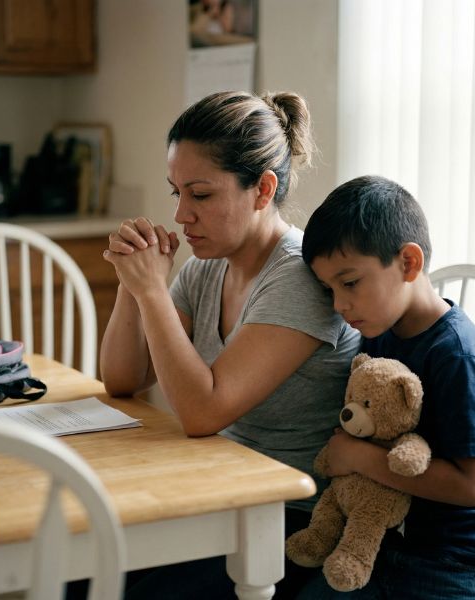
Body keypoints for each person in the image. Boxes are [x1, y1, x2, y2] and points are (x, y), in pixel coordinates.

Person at [84, 90, 361, 600]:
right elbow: (123, 379)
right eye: (177, 194)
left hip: (292, 517)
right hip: (220, 487)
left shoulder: (298, 276)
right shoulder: (208, 265)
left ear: (262, 189)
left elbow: (201, 412)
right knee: (80, 566)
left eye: (202, 195)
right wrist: (131, 281)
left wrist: (152, 290)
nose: (183, 215)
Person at [298, 174, 475, 599]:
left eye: (350, 282)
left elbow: (471, 485)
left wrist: (359, 458)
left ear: (408, 264)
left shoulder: (454, 355)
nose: (339, 305)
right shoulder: (378, 333)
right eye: (329, 289)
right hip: (379, 542)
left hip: (447, 561)